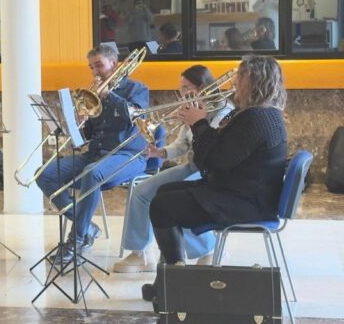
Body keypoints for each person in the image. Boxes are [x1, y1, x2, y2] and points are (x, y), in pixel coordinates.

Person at [142, 55, 287, 303]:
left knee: (162, 206)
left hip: (245, 202)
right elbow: (220, 152)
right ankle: (167, 280)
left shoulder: (256, 118)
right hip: (242, 190)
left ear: (253, 82)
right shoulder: (261, 114)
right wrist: (200, 122)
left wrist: (199, 124)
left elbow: (215, 160)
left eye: (240, 77)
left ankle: (175, 288)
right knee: (165, 192)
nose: (234, 82)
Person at [113, 65, 233, 273]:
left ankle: (207, 250)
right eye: (181, 88)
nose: (182, 93)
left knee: (178, 198)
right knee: (141, 192)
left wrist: (196, 122)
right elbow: (182, 146)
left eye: (186, 88)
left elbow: (212, 147)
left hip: (211, 169)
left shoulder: (223, 110)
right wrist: (159, 152)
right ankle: (139, 253)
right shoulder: (192, 105)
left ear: (202, 86)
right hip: (192, 165)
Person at [36, 44, 149, 264]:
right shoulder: (92, 94)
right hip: (96, 154)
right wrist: (80, 121)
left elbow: (133, 116)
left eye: (99, 65)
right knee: (45, 174)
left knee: (91, 173)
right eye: (91, 67)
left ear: (114, 64)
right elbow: (88, 136)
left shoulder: (137, 89)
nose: (95, 72)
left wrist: (111, 96)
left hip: (128, 155)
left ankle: (77, 239)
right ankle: (87, 226)